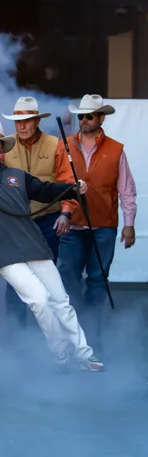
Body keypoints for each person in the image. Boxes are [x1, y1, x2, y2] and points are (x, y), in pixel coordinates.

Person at [0, 119, 103, 372]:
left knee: (61, 300)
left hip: (33, 244)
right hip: (4, 253)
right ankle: (61, 355)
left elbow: (46, 190)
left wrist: (72, 188)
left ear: (1, 149)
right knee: (39, 300)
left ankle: (84, 355)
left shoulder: (16, 175)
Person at [57, 94, 137, 352]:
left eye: (89, 115)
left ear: (101, 117)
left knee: (97, 279)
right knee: (67, 278)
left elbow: (126, 190)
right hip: (73, 226)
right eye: (81, 115)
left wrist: (129, 223)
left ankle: (92, 334)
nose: (84, 120)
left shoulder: (116, 150)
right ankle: (73, 332)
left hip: (103, 226)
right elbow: (56, 185)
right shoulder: (65, 145)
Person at [0, 97, 78, 329]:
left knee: (46, 280)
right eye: (17, 121)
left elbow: (68, 181)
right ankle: (16, 334)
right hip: (16, 223)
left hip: (48, 221)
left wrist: (66, 213)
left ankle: (43, 333)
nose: (21, 126)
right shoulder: (5, 146)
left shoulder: (55, 144)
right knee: (15, 280)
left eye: (27, 121)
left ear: (36, 121)